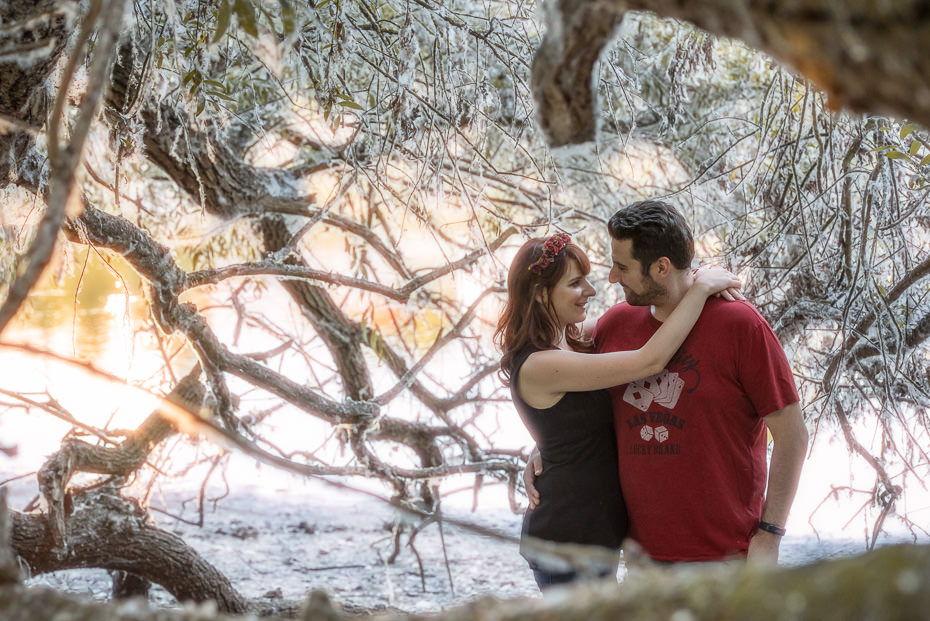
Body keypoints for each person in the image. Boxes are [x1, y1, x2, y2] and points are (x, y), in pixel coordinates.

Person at [524, 201, 809, 566]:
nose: (611, 277)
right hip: (642, 561)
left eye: (622, 266)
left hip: (726, 560)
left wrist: (770, 535)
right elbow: (557, 378)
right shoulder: (615, 324)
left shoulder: (741, 325)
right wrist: (546, 446)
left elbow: (792, 435)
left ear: (661, 268)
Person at [496, 232, 742, 590]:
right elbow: (650, 359)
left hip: (595, 537)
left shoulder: (572, 339)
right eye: (576, 283)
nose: (591, 292)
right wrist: (701, 290)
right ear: (539, 293)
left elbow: (643, 321)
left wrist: (688, 278)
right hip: (567, 542)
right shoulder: (540, 363)